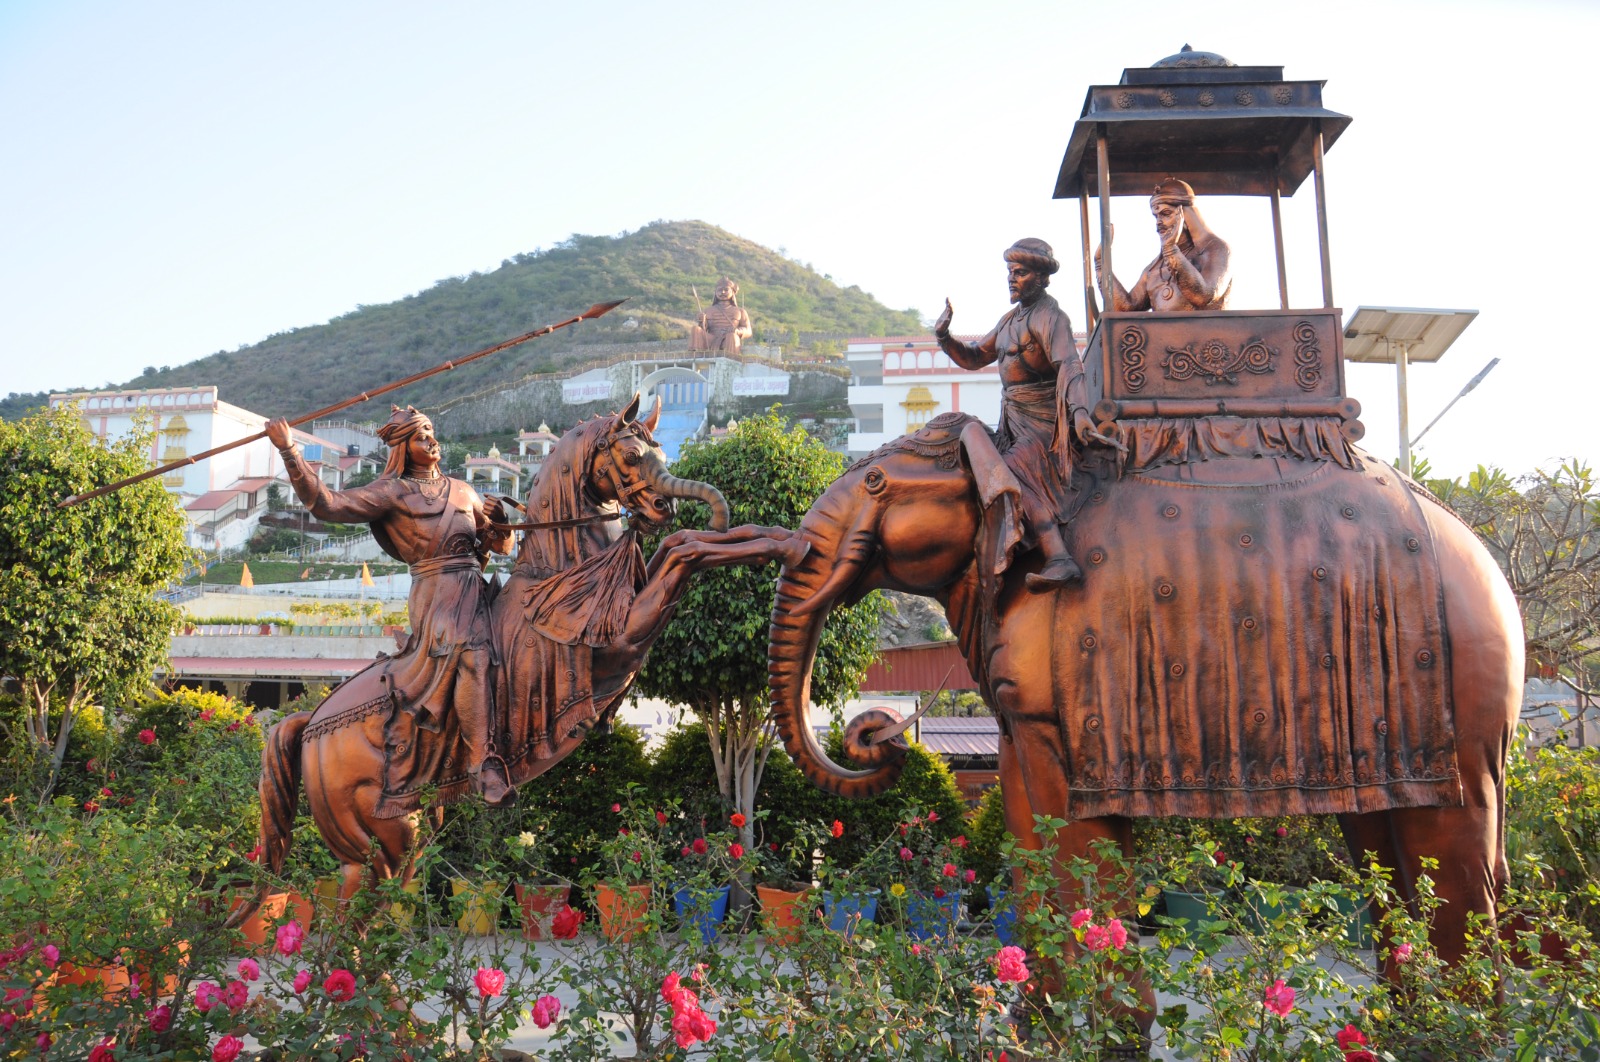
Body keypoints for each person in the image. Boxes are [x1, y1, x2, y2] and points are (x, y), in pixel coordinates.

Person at [265, 406, 515, 804]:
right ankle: (482, 766)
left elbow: (499, 546)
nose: (431, 441)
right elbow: (327, 503)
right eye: (420, 436)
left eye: (431, 432)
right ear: (402, 448)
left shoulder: (463, 491)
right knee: (471, 652)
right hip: (436, 596)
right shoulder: (391, 493)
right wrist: (290, 450)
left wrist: (501, 525)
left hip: (476, 587)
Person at [935, 238, 1094, 589]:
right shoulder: (1009, 320)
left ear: (1041, 277)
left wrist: (1081, 413)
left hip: (1043, 426)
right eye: (1010, 272)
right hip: (1012, 422)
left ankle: (1059, 557)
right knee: (971, 442)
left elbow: (1070, 365)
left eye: (1019, 272)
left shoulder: (1051, 317)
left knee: (1009, 471)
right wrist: (945, 338)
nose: (1011, 278)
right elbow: (974, 357)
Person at [1094, 177, 1232, 312]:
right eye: (1156, 216)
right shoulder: (1155, 267)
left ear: (1186, 215)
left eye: (1166, 214)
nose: (1159, 222)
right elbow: (1126, 308)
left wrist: (1171, 250)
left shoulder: (1216, 249)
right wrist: (1101, 266)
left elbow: (1203, 296)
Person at [688, 277, 755, 353]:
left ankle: (730, 357)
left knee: (732, 336)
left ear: (732, 292)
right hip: (711, 339)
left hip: (728, 339)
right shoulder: (708, 310)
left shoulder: (740, 311)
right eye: (719, 290)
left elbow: (748, 331)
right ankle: (696, 355)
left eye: (726, 290)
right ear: (715, 292)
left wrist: (737, 331)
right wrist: (702, 321)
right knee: (695, 329)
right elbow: (703, 329)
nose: (722, 292)